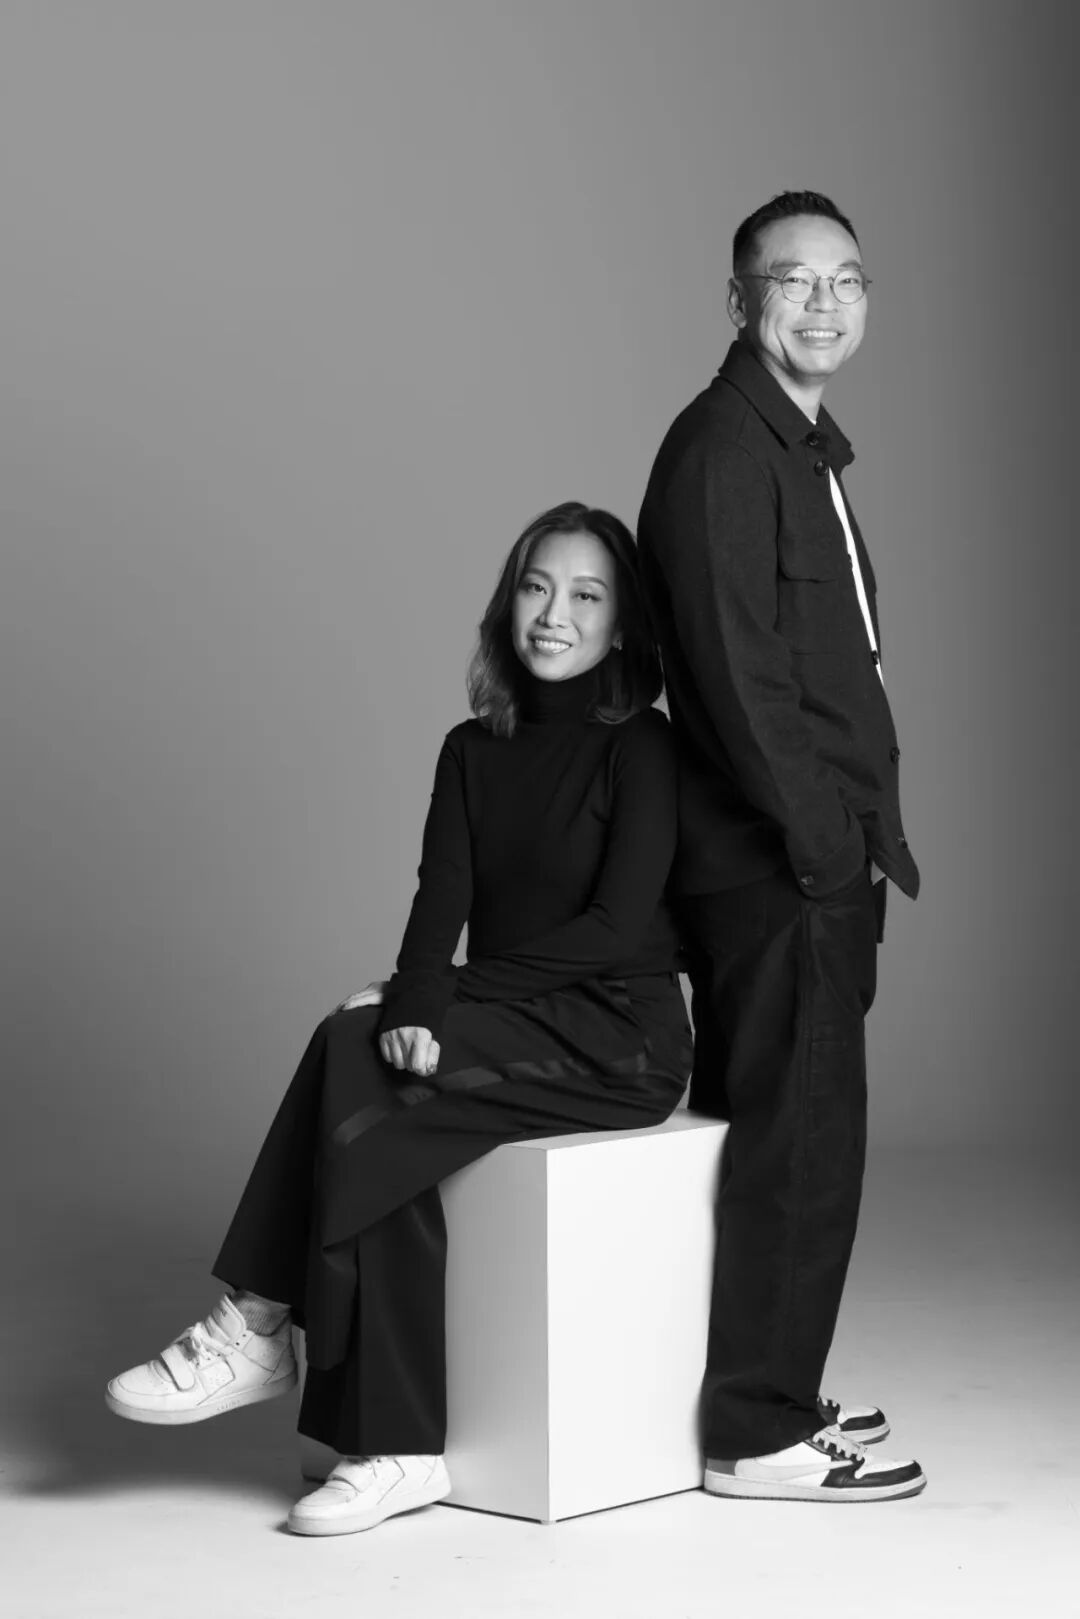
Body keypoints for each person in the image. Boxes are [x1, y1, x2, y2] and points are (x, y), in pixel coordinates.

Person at [106, 501, 692, 1537]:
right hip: (512, 1012)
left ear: (619, 627)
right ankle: (387, 1440)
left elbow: (612, 931)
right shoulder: (471, 748)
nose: (554, 614)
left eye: (586, 595)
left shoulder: (641, 747)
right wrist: (417, 989)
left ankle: (272, 1331)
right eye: (537, 586)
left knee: (371, 1077)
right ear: (508, 602)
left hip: (617, 1036)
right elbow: (441, 897)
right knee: (358, 1049)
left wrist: (443, 995)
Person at [637, 191, 926, 1502]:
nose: (824, 302)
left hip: (814, 858)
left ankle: (766, 1382)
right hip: (780, 868)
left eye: (846, 280)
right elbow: (738, 680)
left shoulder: (796, 447)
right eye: (793, 280)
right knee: (797, 1145)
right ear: (740, 299)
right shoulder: (721, 450)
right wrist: (823, 847)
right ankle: (755, 1431)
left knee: (782, 1133)